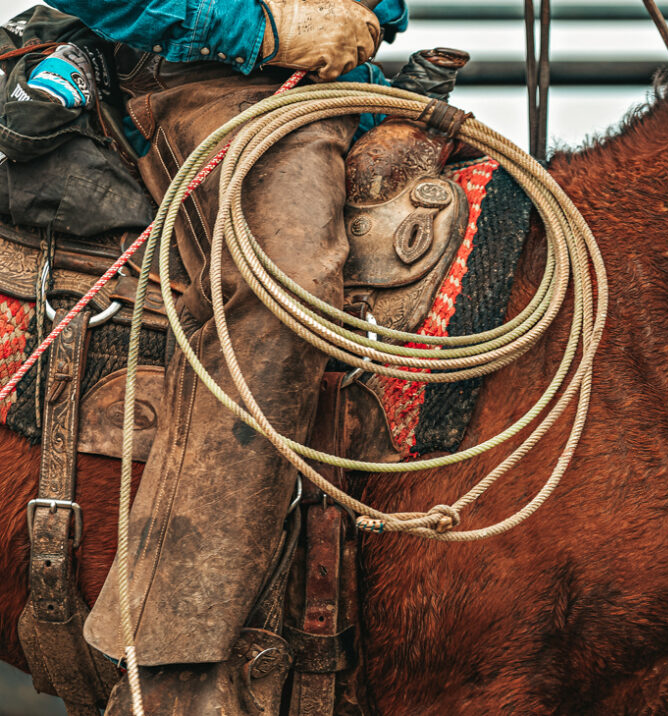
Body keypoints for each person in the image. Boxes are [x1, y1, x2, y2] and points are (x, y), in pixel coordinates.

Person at [33, 0, 410, 712]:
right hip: (203, 79)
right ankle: (175, 669)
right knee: (287, 288)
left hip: (340, 84)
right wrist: (261, 28)